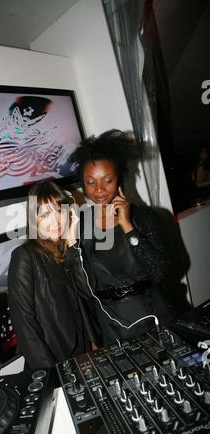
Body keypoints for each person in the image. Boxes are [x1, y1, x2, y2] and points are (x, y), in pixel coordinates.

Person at [68, 129, 175, 345]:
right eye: (90, 182)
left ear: (119, 179)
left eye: (107, 180)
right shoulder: (81, 225)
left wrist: (127, 226)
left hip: (153, 314)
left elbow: (160, 271)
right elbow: (84, 290)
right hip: (111, 324)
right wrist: (71, 247)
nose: (99, 190)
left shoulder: (143, 216)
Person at [7, 180, 97, 370]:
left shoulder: (67, 252)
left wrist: (72, 243)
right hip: (52, 363)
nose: (55, 221)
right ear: (34, 220)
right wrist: (52, 374)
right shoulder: (24, 257)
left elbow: (88, 292)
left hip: (82, 356)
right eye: (45, 214)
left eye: (59, 211)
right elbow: (25, 326)